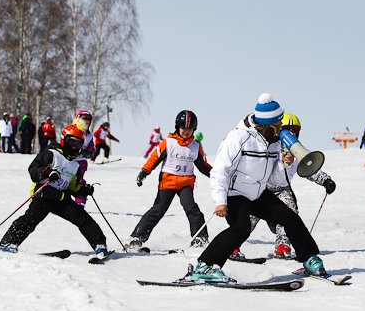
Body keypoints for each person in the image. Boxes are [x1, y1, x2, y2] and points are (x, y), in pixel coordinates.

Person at [185, 94, 328, 283]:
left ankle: (309, 258)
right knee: (241, 228)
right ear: (268, 125)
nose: (281, 128)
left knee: (289, 217)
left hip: (258, 192)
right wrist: (220, 201)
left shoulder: (274, 142)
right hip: (235, 193)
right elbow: (220, 169)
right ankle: (205, 265)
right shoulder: (239, 137)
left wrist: (285, 163)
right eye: (279, 124)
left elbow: (276, 178)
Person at [0, 124, 107, 257]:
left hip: (61, 198)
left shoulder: (75, 165)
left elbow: (73, 186)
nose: (74, 147)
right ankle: (8, 243)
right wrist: (47, 172)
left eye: (78, 144)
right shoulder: (51, 154)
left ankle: (99, 245)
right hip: (44, 194)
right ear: (64, 140)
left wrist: (83, 190)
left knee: (82, 217)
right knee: (30, 219)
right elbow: (33, 169)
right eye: (72, 142)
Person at [245, 112, 336, 259]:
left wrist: (326, 180)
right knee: (250, 217)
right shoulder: (269, 146)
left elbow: (310, 168)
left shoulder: (296, 151)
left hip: (282, 190)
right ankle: (233, 246)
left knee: (290, 212)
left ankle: (282, 246)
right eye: (288, 129)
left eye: (295, 130)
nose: (292, 133)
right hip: (262, 189)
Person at [128, 110, 212, 250]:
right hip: (168, 182)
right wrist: (144, 172)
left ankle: (200, 239)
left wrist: (216, 175)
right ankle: (137, 237)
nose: (186, 131)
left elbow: (203, 166)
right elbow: (154, 159)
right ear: (177, 127)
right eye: (183, 128)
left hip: (186, 183)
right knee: (158, 210)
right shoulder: (168, 143)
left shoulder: (196, 146)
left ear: (194, 129)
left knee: (191, 208)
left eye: (189, 129)